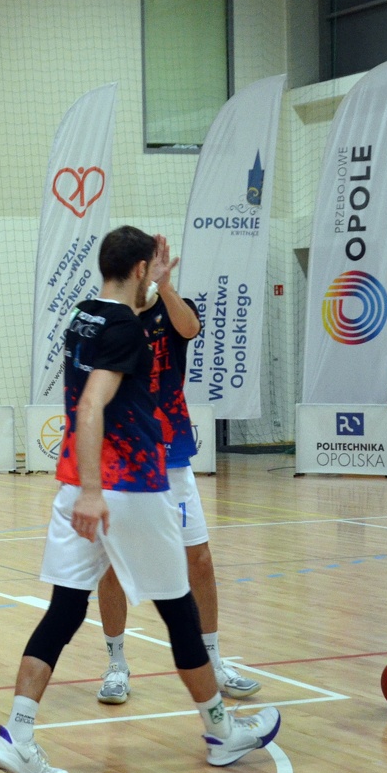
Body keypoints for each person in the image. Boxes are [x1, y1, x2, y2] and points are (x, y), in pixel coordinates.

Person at [0, 225, 280, 773]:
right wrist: (95, 491)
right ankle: (222, 732)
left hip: (75, 483)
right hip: (126, 488)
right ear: (142, 268)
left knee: (63, 612)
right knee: (179, 613)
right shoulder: (123, 325)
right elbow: (92, 403)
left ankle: (17, 736)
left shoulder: (82, 317)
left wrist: (84, 487)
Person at [93, 235, 261, 706]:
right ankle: (116, 664)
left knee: (199, 559)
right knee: (112, 564)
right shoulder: (109, 319)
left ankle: (213, 660)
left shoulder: (172, 310)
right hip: (122, 458)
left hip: (171, 455)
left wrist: (166, 287)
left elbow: (191, 328)